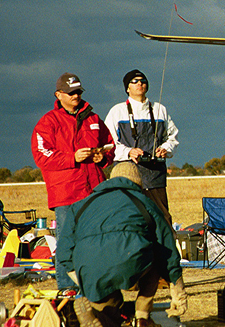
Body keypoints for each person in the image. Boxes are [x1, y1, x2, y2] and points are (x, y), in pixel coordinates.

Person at [57, 162, 187, 327]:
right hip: (131, 260)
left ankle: (99, 316)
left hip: (90, 265)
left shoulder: (81, 205)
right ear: (138, 183)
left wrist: (82, 277)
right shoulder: (144, 202)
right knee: (155, 259)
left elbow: (63, 251)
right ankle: (142, 317)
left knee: (107, 300)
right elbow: (166, 248)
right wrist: (178, 291)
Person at [31, 72, 114, 290]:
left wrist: (102, 157)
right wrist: (72, 157)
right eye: (71, 93)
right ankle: (67, 288)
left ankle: (95, 286)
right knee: (67, 243)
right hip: (66, 193)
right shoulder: (48, 122)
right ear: (59, 95)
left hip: (94, 191)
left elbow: (109, 145)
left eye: (78, 91)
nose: (75, 95)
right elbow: (41, 155)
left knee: (95, 240)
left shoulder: (93, 118)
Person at [105, 69, 179, 228]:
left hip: (155, 176)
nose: (140, 83)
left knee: (162, 219)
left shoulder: (160, 109)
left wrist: (165, 149)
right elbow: (108, 144)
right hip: (127, 176)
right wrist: (128, 152)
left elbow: (173, 137)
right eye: (135, 81)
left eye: (143, 80)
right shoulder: (117, 112)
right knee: (129, 219)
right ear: (127, 88)